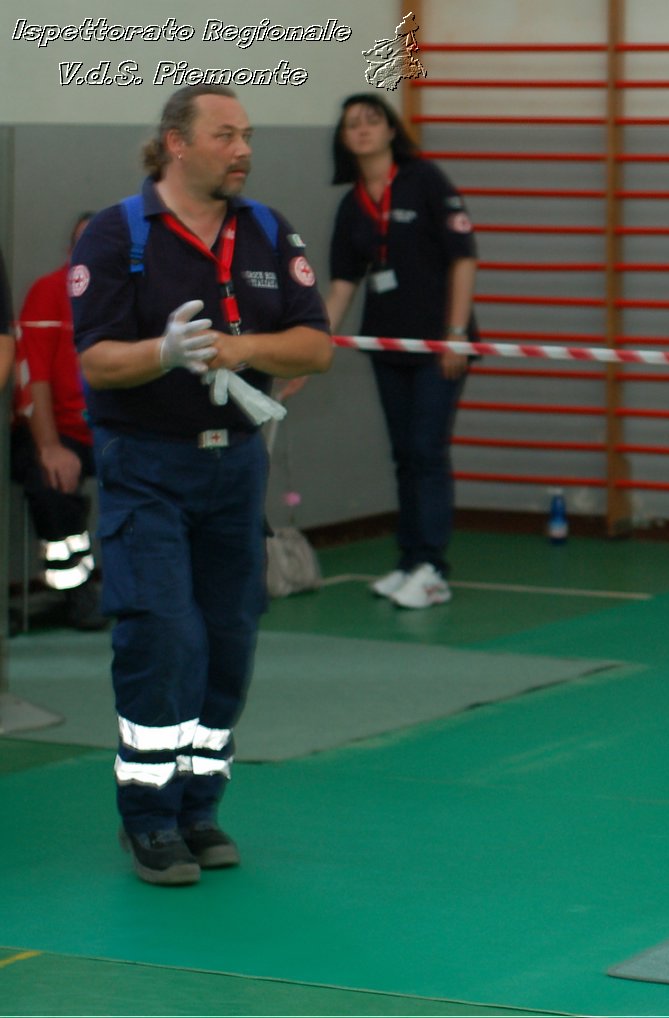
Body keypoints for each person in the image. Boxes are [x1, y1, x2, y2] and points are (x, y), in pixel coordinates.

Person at [71, 84, 333, 885]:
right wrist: (165, 351)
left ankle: (199, 806)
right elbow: (94, 360)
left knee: (228, 640)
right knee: (161, 636)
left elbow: (314, 346)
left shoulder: (265, 229)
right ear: (176, 144)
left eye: (247, 135)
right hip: (145, 465)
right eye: (226, 135)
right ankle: (146, 820)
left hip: (234, 470)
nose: (243, 149)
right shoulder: (117, 236)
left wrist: (241, 347)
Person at [325, 92, 478, 610]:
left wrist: (455, 333)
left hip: (440, 346)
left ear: (392, 130)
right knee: (403, 455)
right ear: (344, 139)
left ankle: (434, 568)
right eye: (353, 125)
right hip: (386, 344)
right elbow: (344, 284)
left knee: (426, 449)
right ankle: (410, 559)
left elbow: (463, 259)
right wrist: (310, 345)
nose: (364, 130)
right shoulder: (352, 205)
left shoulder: (425, 181)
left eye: (373, 121)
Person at [12, 213, 107, 631]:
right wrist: (51, 446)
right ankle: (74, 589)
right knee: (50, 482)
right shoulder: (49, 292)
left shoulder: (129, 296)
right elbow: (34, 378)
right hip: (53, 430)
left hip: (110, 432)